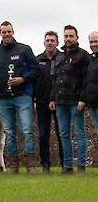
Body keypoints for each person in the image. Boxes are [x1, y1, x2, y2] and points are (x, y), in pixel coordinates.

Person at [0, 21, 40, 174]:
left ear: (13, 32)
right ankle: (13, 166)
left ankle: (30, 165)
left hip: (23, 96)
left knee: (27, 130)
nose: (6, 34)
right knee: (9, 132)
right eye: (4, 32)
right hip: (2, 98)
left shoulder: (24, 49)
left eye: (9, 31)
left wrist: (22, 78)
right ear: (0, 33)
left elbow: (36, 70)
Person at [49, 25, 90, 174]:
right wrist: (52, 98)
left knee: (79, 134)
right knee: (64, 134)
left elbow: (86, 80)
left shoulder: (83, 56)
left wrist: (82, 99)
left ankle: (81, 166)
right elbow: (55, 79)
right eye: (66, 36)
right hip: (60, 102)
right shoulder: (59, 56)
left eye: (71, 36)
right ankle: (67, 167)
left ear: (77, 38)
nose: (68, 39)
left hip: (76, 102)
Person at [35, 31, 63, 173]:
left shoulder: (63, 58)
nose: (50, 42)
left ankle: (65, 163)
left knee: (61, 133)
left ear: (57, 43)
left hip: (61, 103)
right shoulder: (37, 60)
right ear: (44, 43)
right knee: (43, 134)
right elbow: (33, 80)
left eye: (53, 40)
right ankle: (45, 164)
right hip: (41, 102)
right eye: (48, 40)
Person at [85, 31, 98, 133]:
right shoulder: (90, 58)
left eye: (96, 41)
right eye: (91, 42)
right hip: (93, 103)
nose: (94, 44)